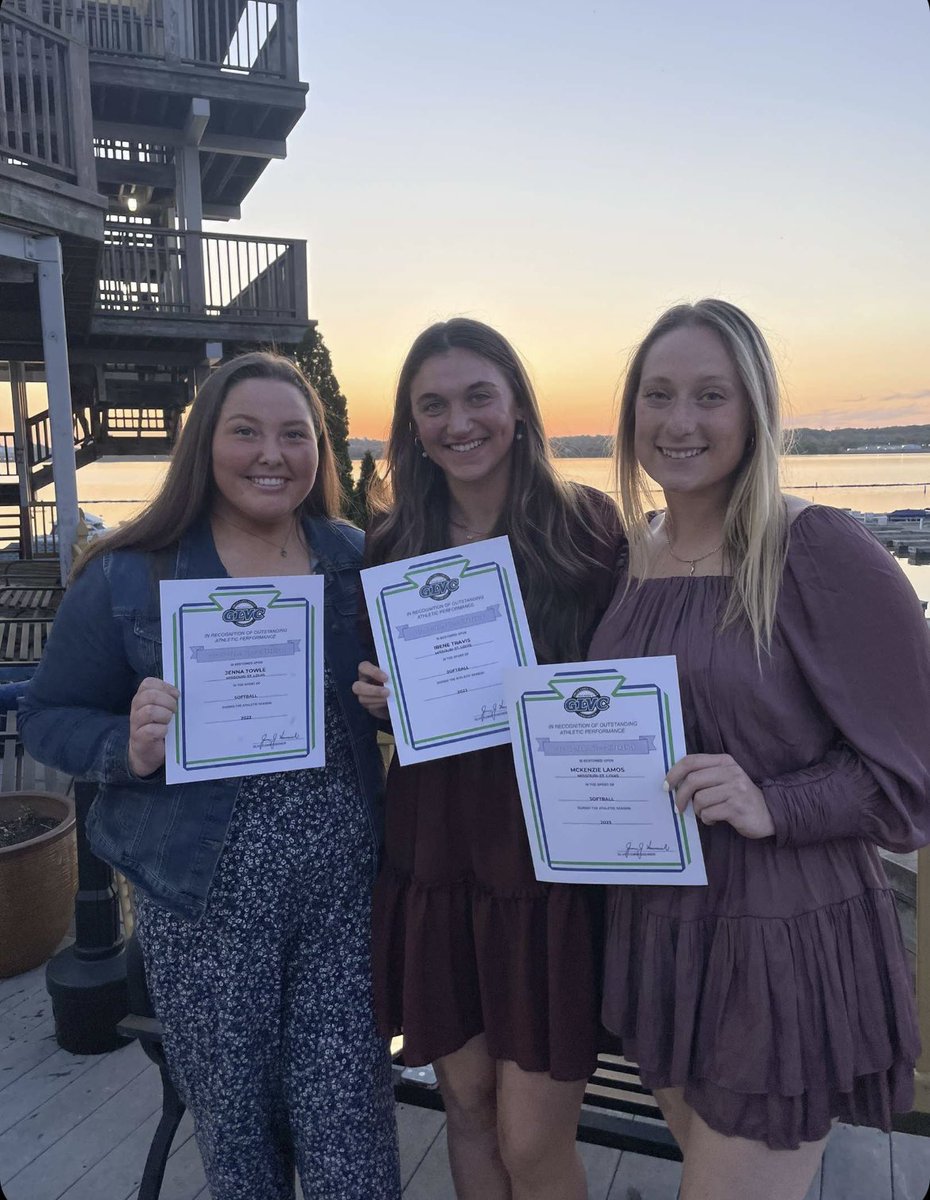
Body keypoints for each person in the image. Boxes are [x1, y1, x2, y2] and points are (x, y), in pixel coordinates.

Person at [19, 352, 401, 1200]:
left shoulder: (355, 560)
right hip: (204, 906)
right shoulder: (130, 573)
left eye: (294, 435)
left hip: (342, 899)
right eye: (245, 432)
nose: (272, 453)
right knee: (239, 1143)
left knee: (354, 1136)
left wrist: (392, 706)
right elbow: (48, 718)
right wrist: (131, 743)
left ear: (320, 452)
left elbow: (414, 694)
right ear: (204, 447)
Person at [587, 299, 930, 1200]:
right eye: (657, 395)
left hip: (777, 941)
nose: (680, 421)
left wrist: (778, 800)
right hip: (661, 934)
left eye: (711, 396)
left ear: (755, 413)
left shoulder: (816, 548)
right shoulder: (634, 553)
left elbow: (913, 773)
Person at [352, 318, 625, 1200]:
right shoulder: (390, 544)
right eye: (432, 405)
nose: (456, 422)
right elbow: (383, 687)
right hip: (433, 847)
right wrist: (387, 701)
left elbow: (624, 689)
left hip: (545, 864)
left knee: (532, 1135)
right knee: (466, 1107)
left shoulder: (586, 528)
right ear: (411, 424)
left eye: (477, 396)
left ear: (516, 406)